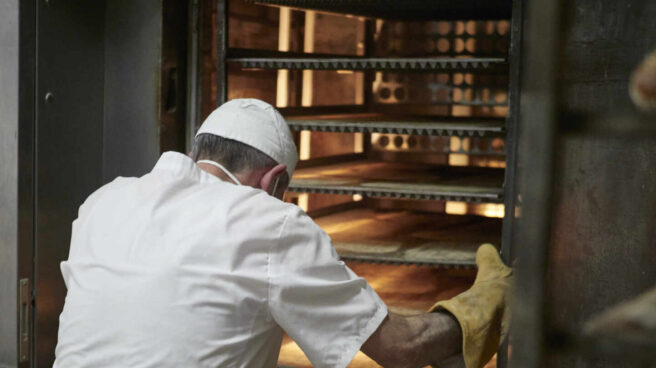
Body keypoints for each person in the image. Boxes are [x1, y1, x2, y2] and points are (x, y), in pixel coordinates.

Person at [53, 98, 513, 368]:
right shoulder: (269, 222)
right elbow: (401, 346)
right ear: (275, 183)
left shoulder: (104, 201)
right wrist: (477, 312)